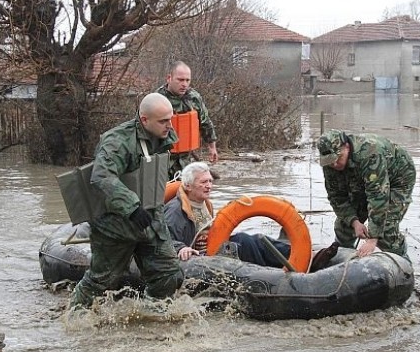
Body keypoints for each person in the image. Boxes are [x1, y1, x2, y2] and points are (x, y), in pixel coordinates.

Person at [69, 93, 184, 309]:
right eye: (163, 121)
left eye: (170, 118)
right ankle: (75, 316)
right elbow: (102, 176)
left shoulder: (164, 136)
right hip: (115, 224)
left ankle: (152, 312)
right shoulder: (117, 141)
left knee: (169, 273)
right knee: (101, 281)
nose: (170, 125)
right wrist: (132, 207)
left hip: (151, 219)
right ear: (144, 120)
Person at [314, 129, 415, 268]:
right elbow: (336, 197)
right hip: (361, 178)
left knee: (385, 231)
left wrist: (373, 238)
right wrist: (355, 222)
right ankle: (342, 267)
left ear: (346, 146)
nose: (335, 165)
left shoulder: (370, 153)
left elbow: (378, 196)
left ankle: (405, 267)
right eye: (330, 162)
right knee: (344, 226)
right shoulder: (330, 164)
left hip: (398, 178)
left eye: (338, 158)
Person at [164, 162, 291, 267]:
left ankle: (295, 256)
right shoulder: (175, 210)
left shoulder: (205, 204)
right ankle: (274, 270)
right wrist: (181, 248)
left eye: (210, 181)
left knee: (256, 240)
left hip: (213, 248)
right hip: (199, 260)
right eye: (203, 182)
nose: (209, 186)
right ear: (188, 185)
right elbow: (164, 240)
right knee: (245, 242)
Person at [156, 61, 218, 179]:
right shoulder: (157, 98)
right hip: (163, 158)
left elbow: (205, 123)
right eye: (180, 80)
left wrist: (212, 147)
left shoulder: (194, 97)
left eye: (187, 80)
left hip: (186, 159)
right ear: (169, 78)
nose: (184, 84)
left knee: (189, 190)